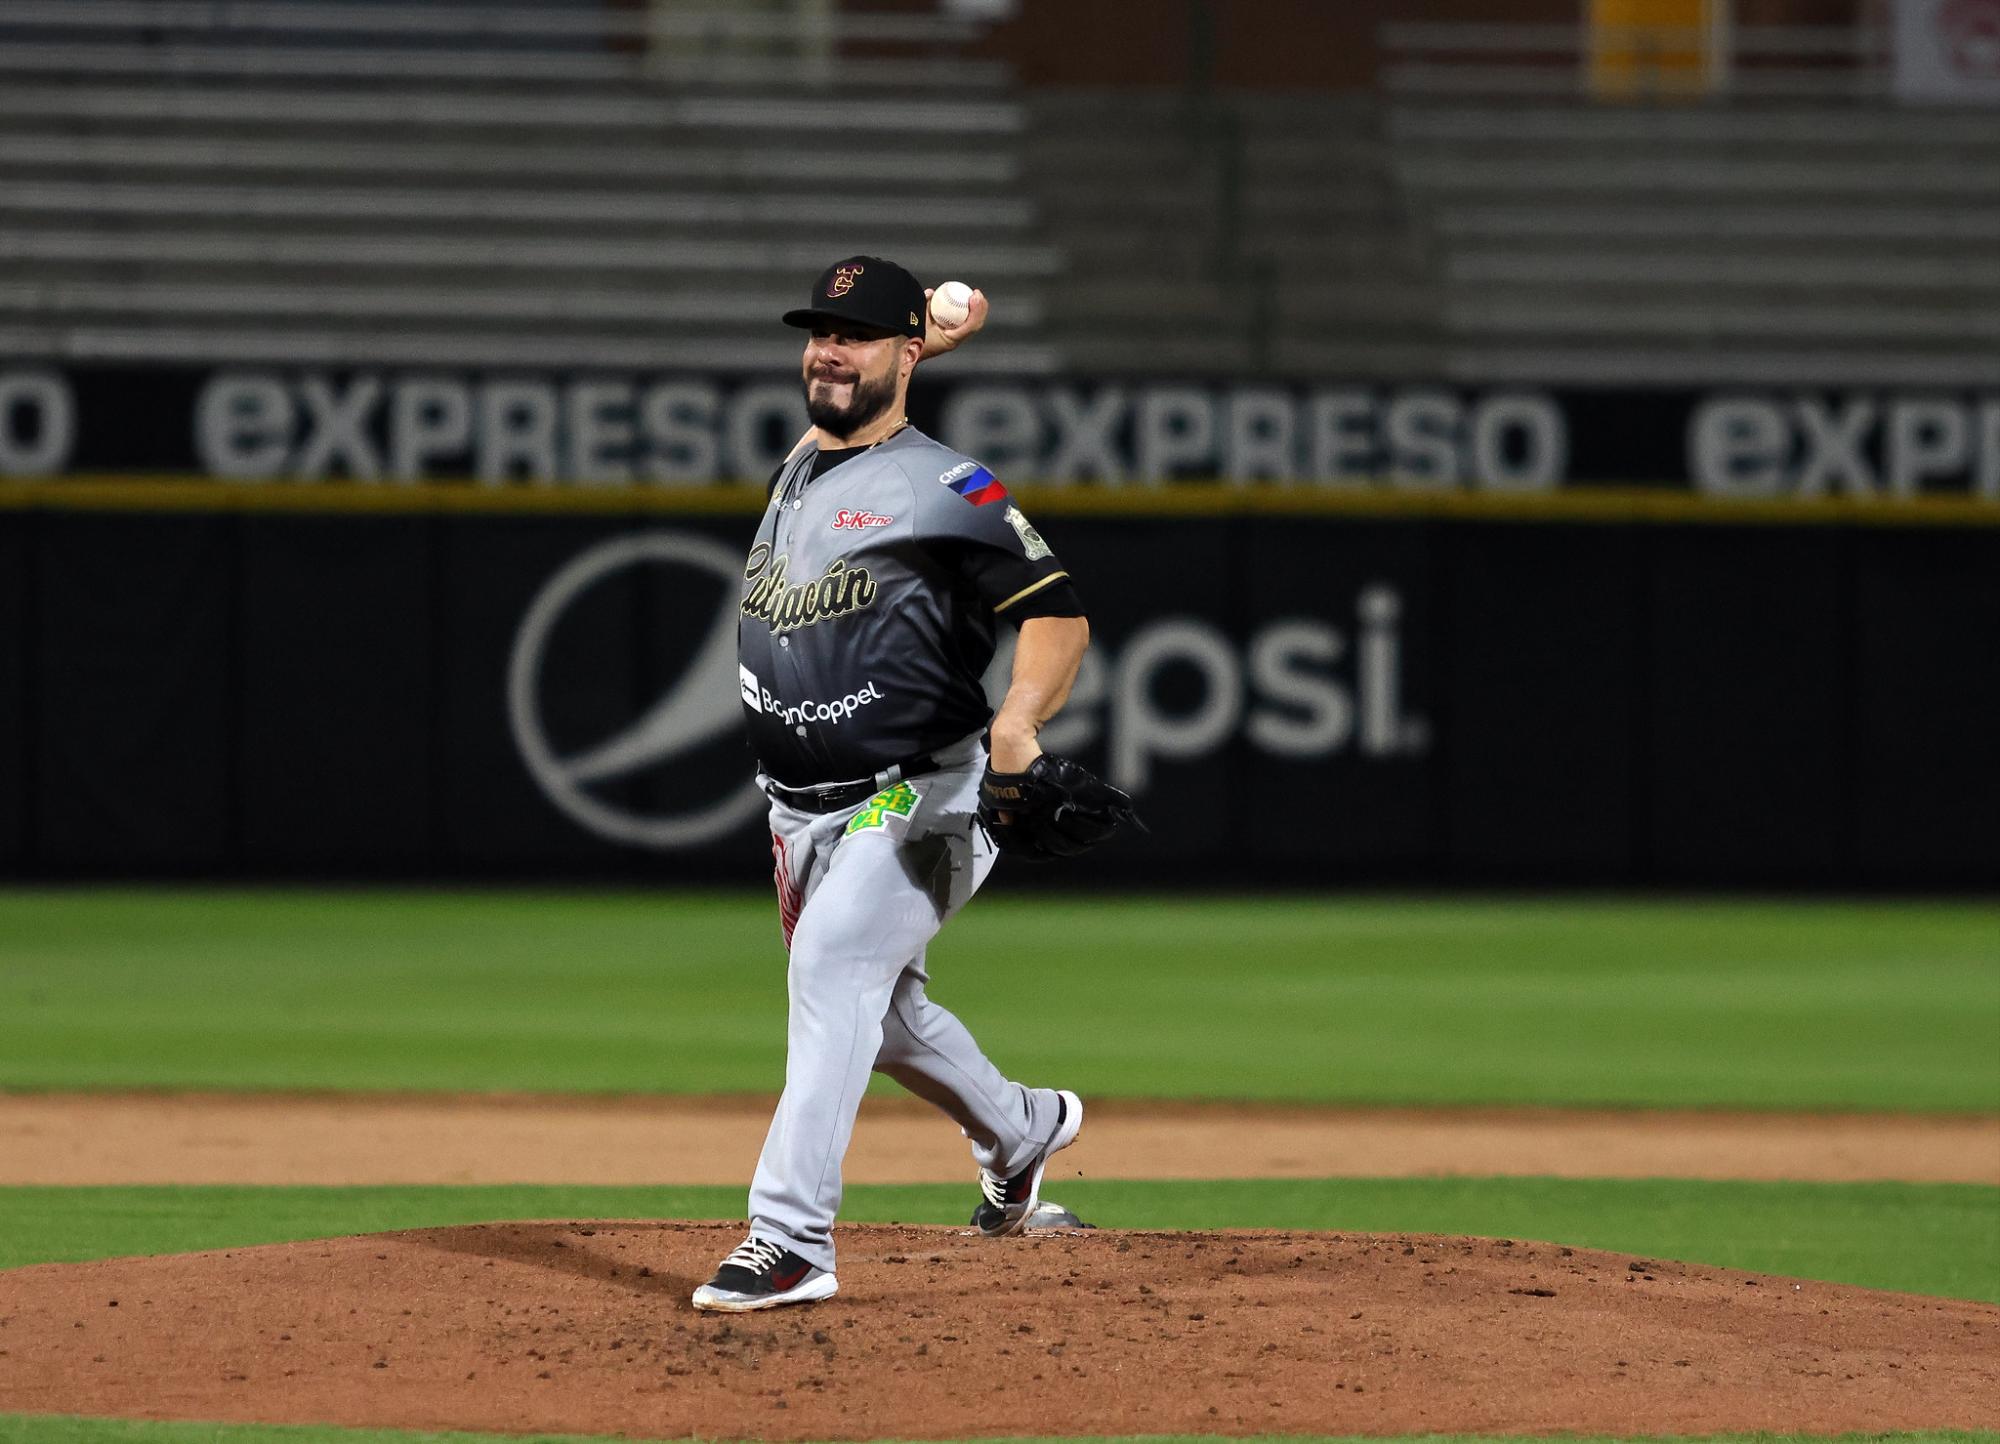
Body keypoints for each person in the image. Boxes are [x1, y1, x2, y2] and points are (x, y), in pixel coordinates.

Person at [691, 256, 1096, 1312]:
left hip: (924, 793)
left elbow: (1057, 616)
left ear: (900, 353)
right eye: (819, 332)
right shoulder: (802, 466)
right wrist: (915, 345)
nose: (827, 351)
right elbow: (844, 418)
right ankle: (1023, 1132)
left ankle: (790, 1238)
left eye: (855, 335)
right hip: (798, 812)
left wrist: (1017, 725)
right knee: (885, 1013)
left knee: (834, 967)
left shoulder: (951, 486)